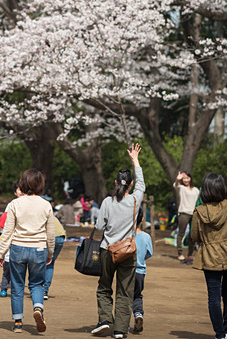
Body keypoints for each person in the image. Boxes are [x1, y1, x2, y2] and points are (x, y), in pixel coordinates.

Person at [92, 143, 146, 339]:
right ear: (129, 185)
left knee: (104, 287)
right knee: (125, 291)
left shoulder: (107, 201)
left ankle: (106, 319)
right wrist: (135, 160)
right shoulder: (134, 200)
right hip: (128, 251)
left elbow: (99, 227)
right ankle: (120, 330)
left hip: (107, 249)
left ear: (116, 182)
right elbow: (142, 184)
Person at [0, 168, 55, 334]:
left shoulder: (15, 204)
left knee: (17, 285)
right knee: (37, 283)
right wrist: (50, 253)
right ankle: (38, 308)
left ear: (23, 183)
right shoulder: (46, 205)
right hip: (38, 249)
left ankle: (17, 322)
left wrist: (1, 252)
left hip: (18, 248)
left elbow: (7, 231)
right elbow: (50, 234)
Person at [191, 173, 227, 339]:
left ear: (205, 190)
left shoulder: (199, 211)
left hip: (209, 257)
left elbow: (194, 237)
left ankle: (219, 334)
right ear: (222, 188)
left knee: (213, 297)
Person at [0, 180, 23, 298]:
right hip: (10, 240)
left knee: (18, 268)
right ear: (15, 192)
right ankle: (4, 288)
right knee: (7, 268)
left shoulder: (28, 204)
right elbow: (4, 223)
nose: (21, 191)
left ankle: (15, 289)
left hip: (21, 241)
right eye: (19, 189)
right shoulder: (11, 204)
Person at [132, 208, 153, 334]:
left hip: (126, 272)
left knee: (123, 296)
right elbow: (149, 253)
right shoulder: (146, 236)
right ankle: (138, 314)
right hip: (140, 272)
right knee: (137, 295)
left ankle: (120, 324)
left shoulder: (126, 236)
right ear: (142, 219)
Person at [173, 170, 201, 264]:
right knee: (181, 233)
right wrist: (177, 179)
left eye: (187, 178)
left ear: (190, 178)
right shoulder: (181, 188)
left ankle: (190, 254)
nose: (186, 180)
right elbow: (175, 185)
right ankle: (180, 253)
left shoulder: (196, 190)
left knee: (192, 235)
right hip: (183, 213)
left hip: (194, 214)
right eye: (184, 178)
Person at [43, 211, 66, 301]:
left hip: (51, 238)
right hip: (61, 238)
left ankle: (40, 289)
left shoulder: (40, 216)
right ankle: (45, 290)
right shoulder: (52, 216)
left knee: (40, 263)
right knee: (50, 263)